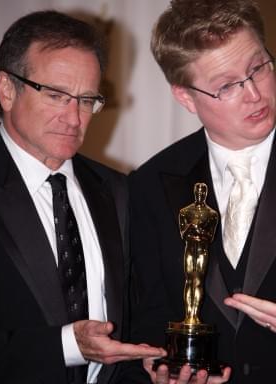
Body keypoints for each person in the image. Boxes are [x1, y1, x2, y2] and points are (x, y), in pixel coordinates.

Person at [0, 10, 165, 384]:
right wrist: (69, 344)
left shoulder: (116, 190)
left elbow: (130, 325)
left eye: (86, 100)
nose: (74, 118)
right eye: (56, 95)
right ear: (6, 89)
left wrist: (153, 369)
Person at [128, 0, 276, 383]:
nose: (254, 93)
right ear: (186, 97)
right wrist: (159, 369)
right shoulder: (149, 184)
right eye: (227, 85)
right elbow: (147, 314)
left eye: (258, 68)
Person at [179, 183, 218, 325]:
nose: (200, 194)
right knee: (189, 280)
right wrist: (191, 226)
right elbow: (183, 234)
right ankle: (188, 316)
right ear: (195, 192)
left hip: (202, 248)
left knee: (198, 281)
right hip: (189, 247)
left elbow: (211, 236)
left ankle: (195, 315)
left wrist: (199, 230)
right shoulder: (185, 212)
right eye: (198, 191)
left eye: (203, 191)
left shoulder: (211, 214)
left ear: (205, 193)